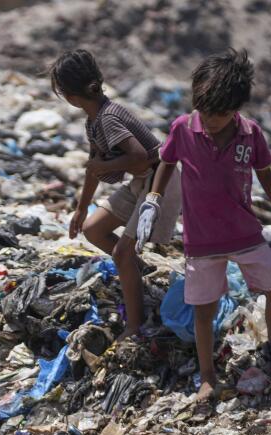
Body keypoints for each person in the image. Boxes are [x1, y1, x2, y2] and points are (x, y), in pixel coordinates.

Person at [145, 48, 271, 408]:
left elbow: (267, 178)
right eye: (203, 111)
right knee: (204, 308)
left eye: (217, 114)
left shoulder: (250, 133)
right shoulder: (183, 128)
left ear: (235, 109)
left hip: (245, 232)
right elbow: (166, 163)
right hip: (201, 240)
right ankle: (208, 378)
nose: (208, 120)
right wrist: (153, 198)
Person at [48, 49, 183, 341]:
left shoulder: (108, 118)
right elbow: (93, 168)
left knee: (121, 252)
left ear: (70, 96)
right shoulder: (94, 120)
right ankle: (132, 269)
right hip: (141, 181)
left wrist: (105, 165)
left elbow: (140, 158)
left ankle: (134, 327)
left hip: (161, 182)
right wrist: (81, 209)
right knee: (93, 228)